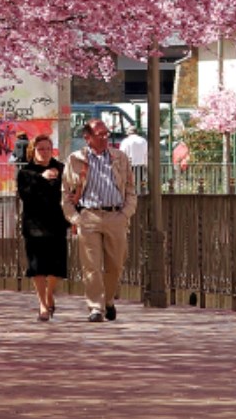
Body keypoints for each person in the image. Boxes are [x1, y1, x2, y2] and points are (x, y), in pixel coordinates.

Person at [61, 119, 137, 322]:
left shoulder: (119, 157)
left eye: (106, 134)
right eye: (99, 135)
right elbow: (66, 193)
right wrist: (76, 218)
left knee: (115, 265)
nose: (105, 138)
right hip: (89, 216)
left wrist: (126, 213)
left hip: (115, 215)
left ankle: (108, 300)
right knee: (91, 266)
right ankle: (95, 307)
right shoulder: (76, 159)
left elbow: (130, 189)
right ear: (87, 137)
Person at [15, 134, 69, 321]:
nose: (45, 152)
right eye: (41, 149)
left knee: (56, 267)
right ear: (33, 150)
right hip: (34, 224)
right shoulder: (26, 173)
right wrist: (41, 178)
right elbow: (25, 195)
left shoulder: (61, 169)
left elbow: (69, 194)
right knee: (37, 267)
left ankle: (49, 294)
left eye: (48, 148)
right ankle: (42, 304)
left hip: (57, 222)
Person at [118, 126, 148, 193]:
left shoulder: (125, 141)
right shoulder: (143, 141)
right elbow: (146, 154)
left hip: (129, 167)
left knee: (130, 186)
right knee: (141, 186)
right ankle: (140, 198)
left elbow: (122, 154)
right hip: (141, 167)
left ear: (128, 133)